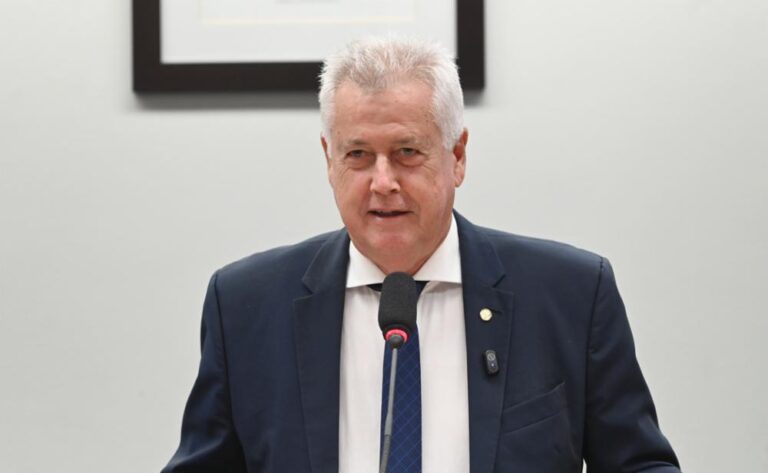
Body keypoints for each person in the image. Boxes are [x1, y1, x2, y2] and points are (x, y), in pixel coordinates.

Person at [161, 36, 681, 473]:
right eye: (358, 155)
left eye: (407, 152)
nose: (382, 182)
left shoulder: (571, 294)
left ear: (457, 156)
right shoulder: (245, 306)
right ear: (328, 160)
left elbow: (640, 466)